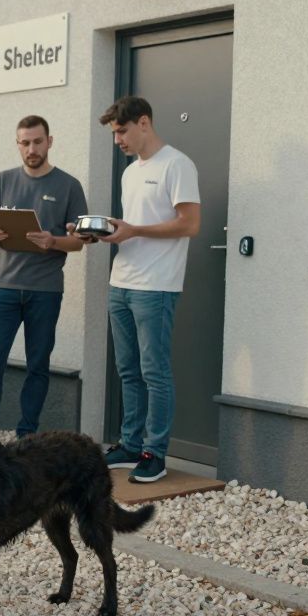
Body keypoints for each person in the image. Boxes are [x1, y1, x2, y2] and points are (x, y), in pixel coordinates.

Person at [71, 96, 201, 484]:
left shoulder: (177, 164)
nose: (118, 141)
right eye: (115, 134)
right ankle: (129, 444)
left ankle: (154, 453)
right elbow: (134, 225)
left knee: (154, 372)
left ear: (144, 122)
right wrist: (103, 233)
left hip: (156, 287)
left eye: (122, 131)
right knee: (127, 370)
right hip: (121, 282)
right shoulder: (131, 172)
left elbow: (190, 224)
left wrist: (135, 230)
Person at [0, 115, 88, 441]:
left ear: (49, 141)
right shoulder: (2, 180)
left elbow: (79, 242)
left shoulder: (69, 186)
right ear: (18, 144)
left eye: (38, 141)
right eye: (25, 143)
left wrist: (53, 241)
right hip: (3, 288)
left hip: (45, 291)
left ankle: (27, 437)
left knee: (37, 367)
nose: (32, 149)